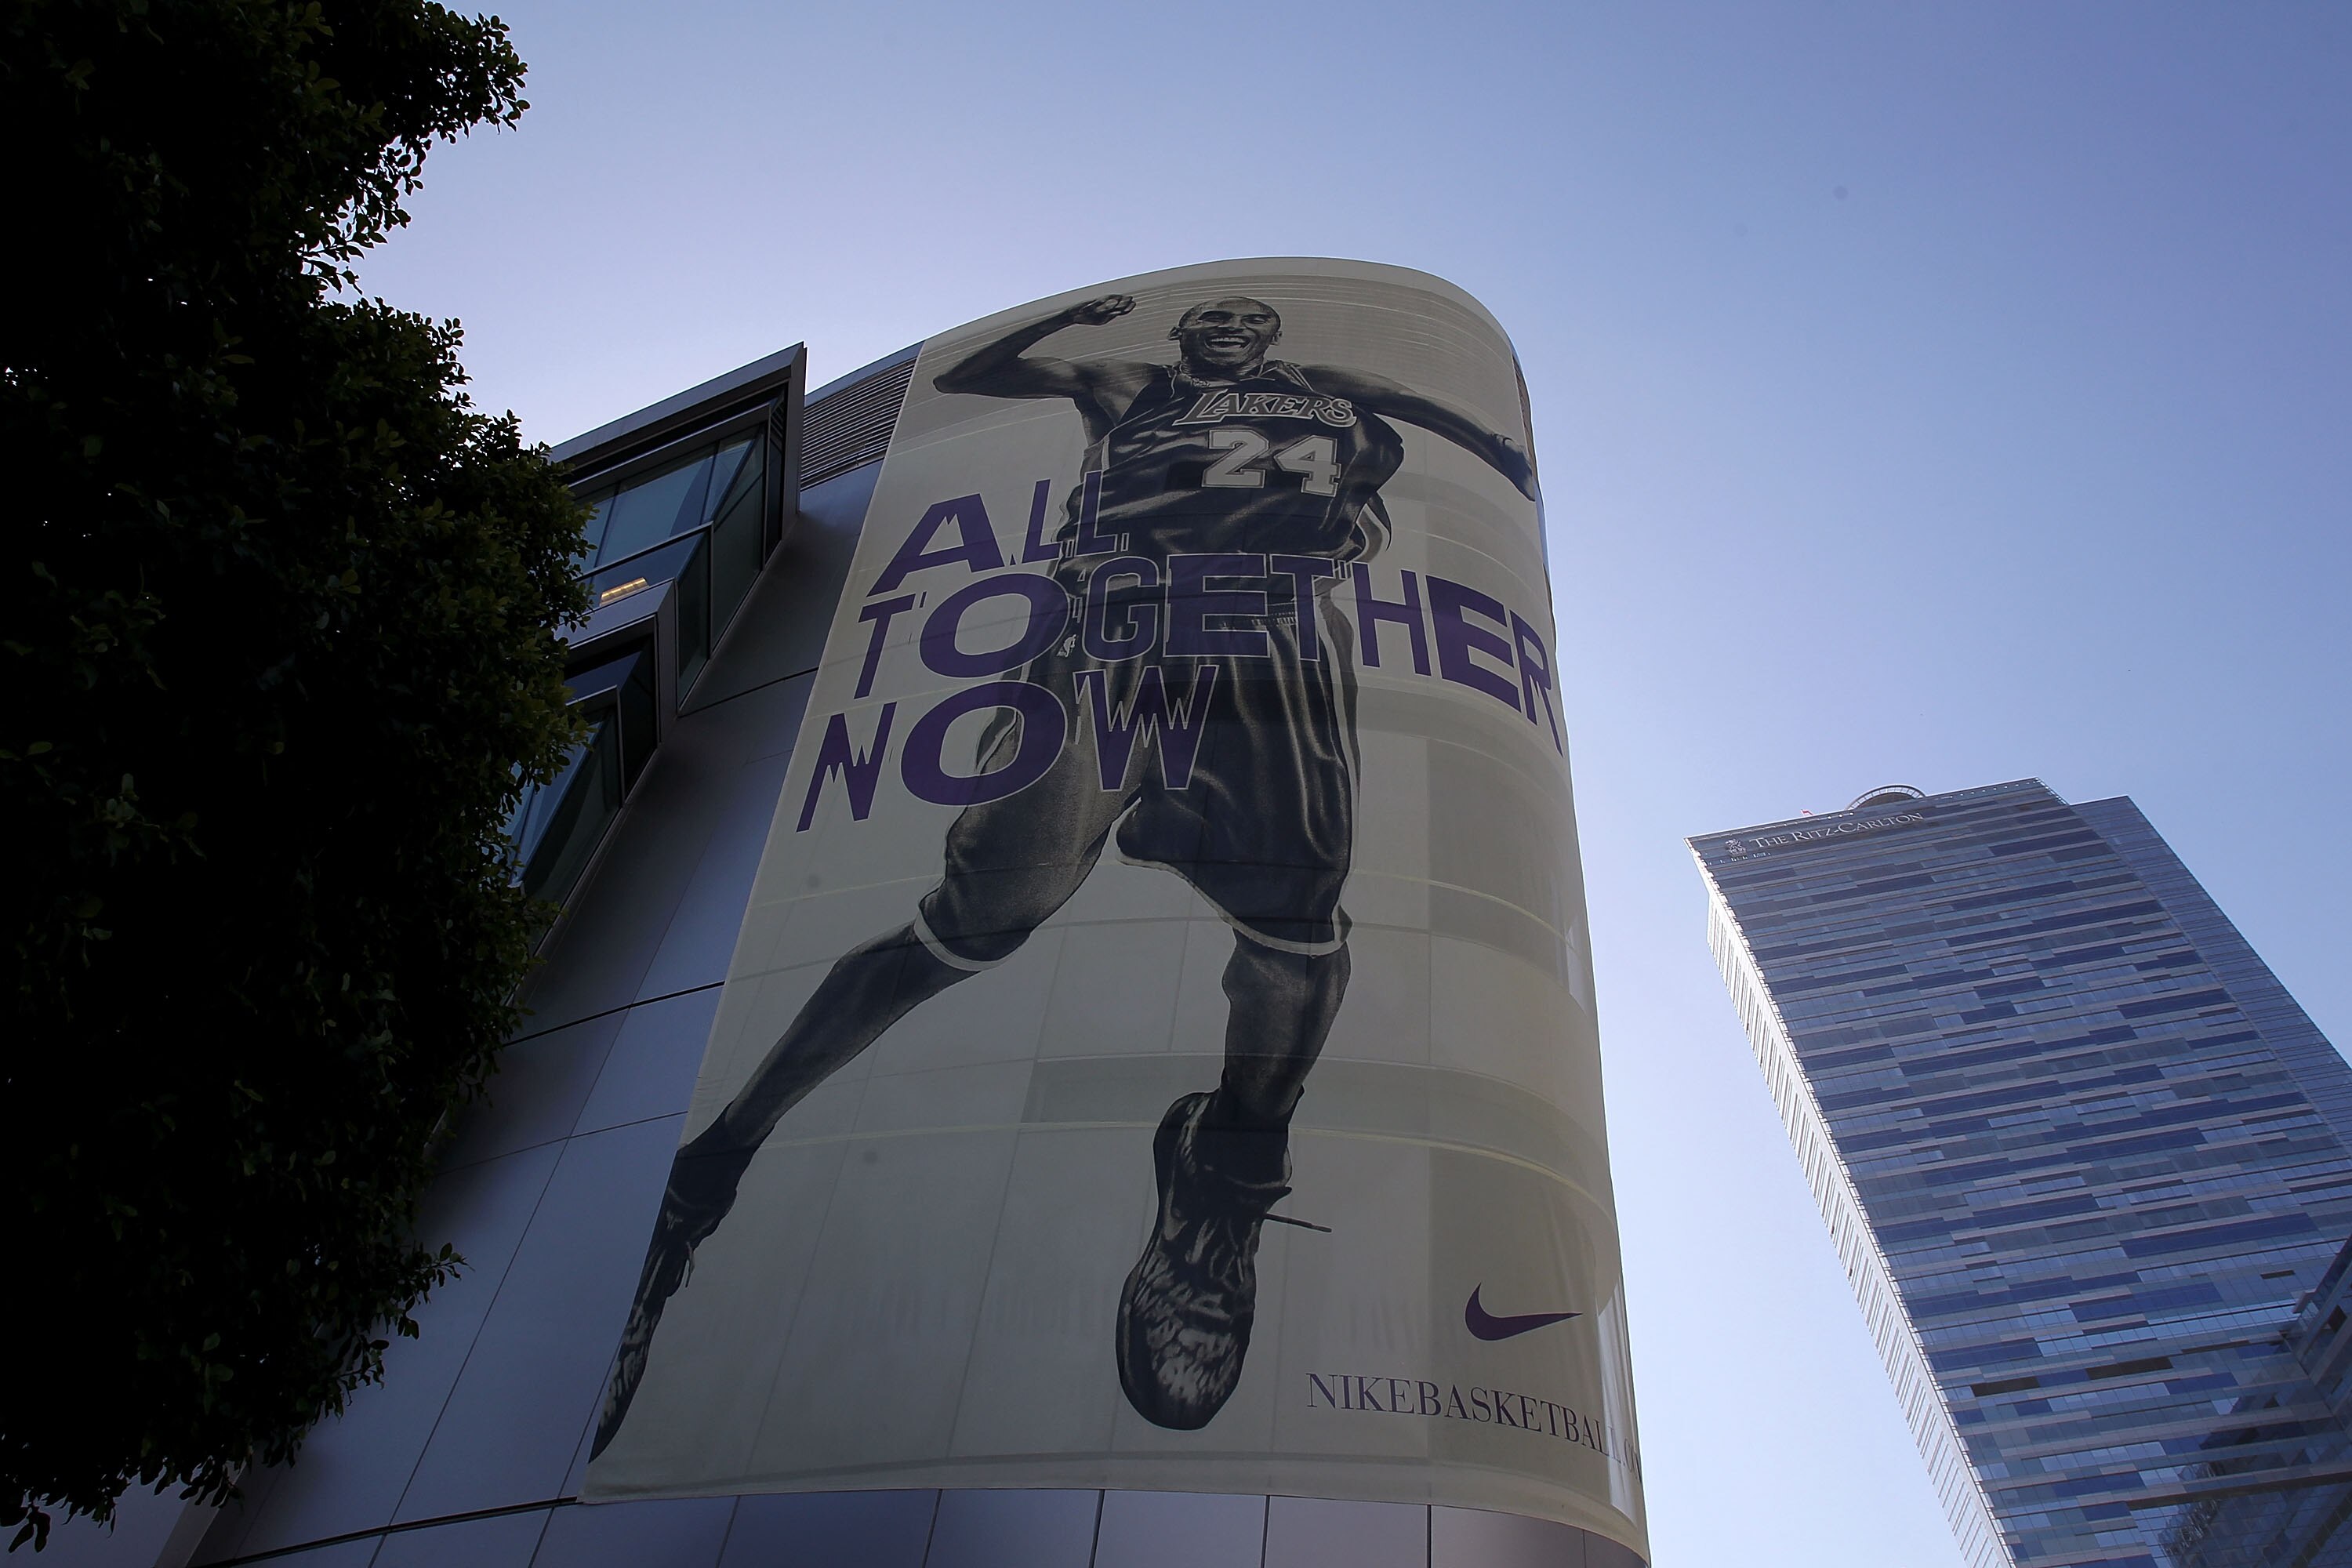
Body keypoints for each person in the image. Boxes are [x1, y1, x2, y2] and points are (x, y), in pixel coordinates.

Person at [593, 294, 1537, 1456]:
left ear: (1272, 340)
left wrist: (1489, 444)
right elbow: (984, 377)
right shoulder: (1126, 384)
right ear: (1188, 338)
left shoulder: (1331, 408)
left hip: (1271, 643)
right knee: (980, 918)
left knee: (1299, 925)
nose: (1234, 324)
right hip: (1117, 632)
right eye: (1217, 316)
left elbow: (1398, 413)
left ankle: (1226, 1178)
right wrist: (1078, 326)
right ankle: (711, 1166)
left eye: (1253, 315)